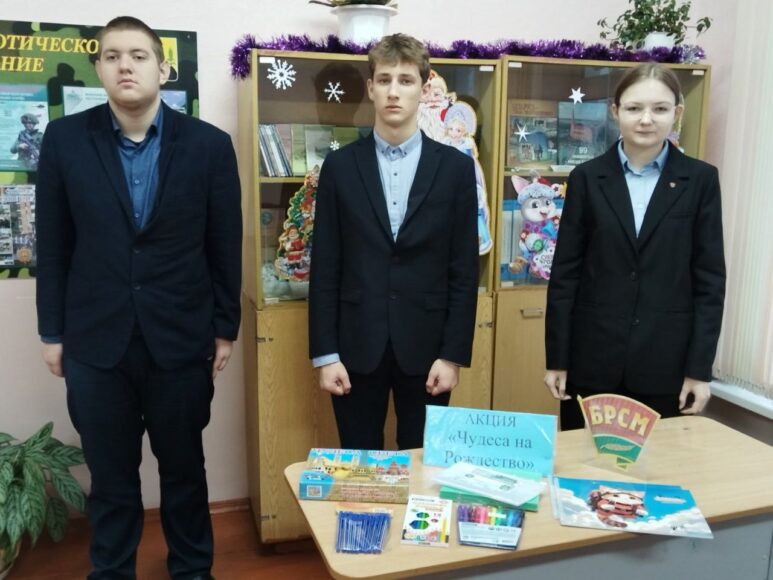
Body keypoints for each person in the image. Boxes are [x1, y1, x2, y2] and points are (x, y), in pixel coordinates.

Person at [35, 16, 241, 579]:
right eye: (112, 56)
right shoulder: (65, 141)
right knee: (111, 477)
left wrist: (224, 328)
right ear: (99, 68)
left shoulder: (208, 146)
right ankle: (111, 572)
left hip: (180, 339)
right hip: (95, 342)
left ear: (163, 69)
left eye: (138, 55)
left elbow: (224, 245)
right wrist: (52, 332)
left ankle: (192, 570)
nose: (125, 65)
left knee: (184, 471)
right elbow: (53, 246)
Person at [308, 33, 479, 451]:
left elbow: (463, 269)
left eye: (405, 80)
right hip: (355, 347)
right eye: (384, 80)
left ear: (423, 88)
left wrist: (453, 355)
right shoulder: (339, 167)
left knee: (423, 464)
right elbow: (325, 265)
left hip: (428, 349)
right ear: (370, 88)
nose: (394, 91)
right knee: (360, 464)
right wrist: (326, 355)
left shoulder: (455, 169)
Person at [544, 63, 726, 430]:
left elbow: (709, 282)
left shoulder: (700, 180)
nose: (646, 119)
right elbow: (565, 276)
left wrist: (699, 371)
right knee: (584, 460)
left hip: (666, 367)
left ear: (677, 112)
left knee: (660, 464)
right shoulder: (586, 178)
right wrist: (557, 360)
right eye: (634, 108)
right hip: (591, 362)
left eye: (660, 109)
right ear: (615, 111)